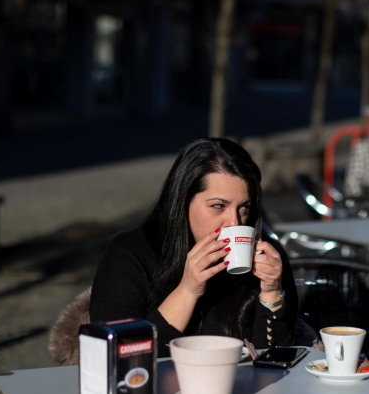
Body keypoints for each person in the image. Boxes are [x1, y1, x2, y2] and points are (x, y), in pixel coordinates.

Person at [89, 138, 298, 356]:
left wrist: (272, 294)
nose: (234, 222)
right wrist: (187, 291)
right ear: (182, 201)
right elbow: (116, 354)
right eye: (218, 206)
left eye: (244, 207)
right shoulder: (130, 254)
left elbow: (276, 365)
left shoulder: (265, 256)